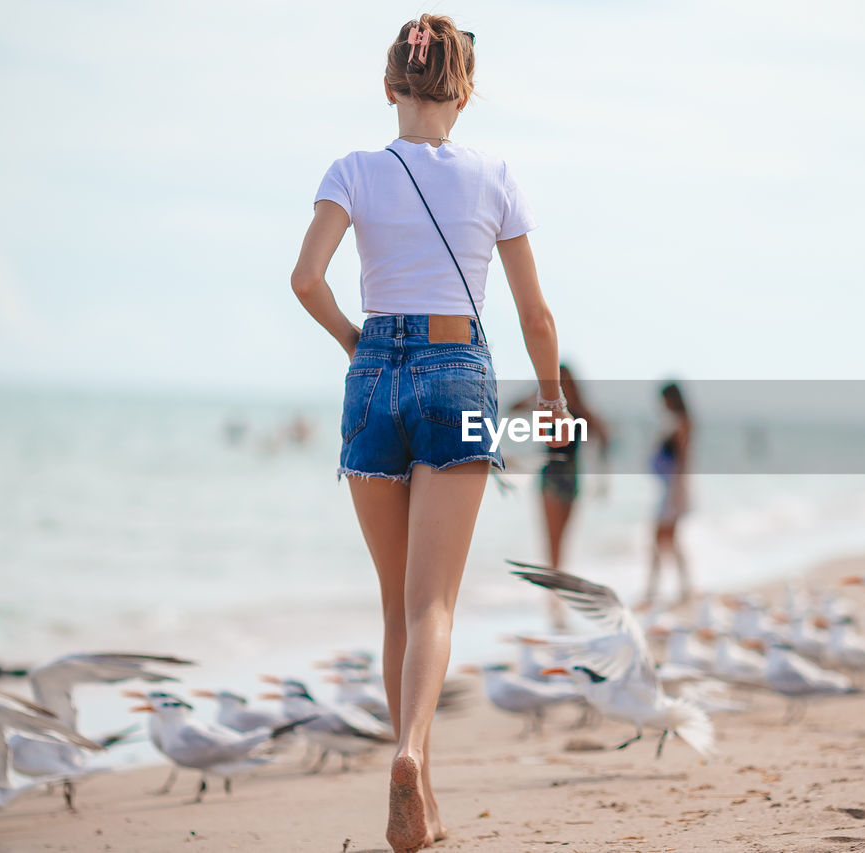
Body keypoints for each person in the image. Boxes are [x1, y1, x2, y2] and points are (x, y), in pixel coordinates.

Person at [289, 16, 571, 852]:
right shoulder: (495, 177)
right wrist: (552, 398)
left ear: (390, 88)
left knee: (395, 609)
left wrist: (355, 341)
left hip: (372, 372)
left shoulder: (354, 170)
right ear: (466, 91)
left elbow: (306, 278)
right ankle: (413, 755)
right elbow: (535, 315)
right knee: (434, 602)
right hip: (457, 372)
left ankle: (423, 787)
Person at [510, 364, 609, 630]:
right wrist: (540, 393)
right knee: (552, 542)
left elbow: (605, 437)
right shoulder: (548, 406)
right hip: (552, 479)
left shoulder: (579, 412)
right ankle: (554, 597)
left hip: (570, 480)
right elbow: (513, 407)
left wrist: (603, 479)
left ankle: (555, 596)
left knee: (561, 542)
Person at [644, 382, 693, 604]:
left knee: (661, 538)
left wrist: (677, 490)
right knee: (669, 540)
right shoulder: (675, 422)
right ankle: (682, 586)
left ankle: (655, 588)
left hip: (673, 488)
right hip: (670, 487)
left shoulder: (682, 423)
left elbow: (683, 459)